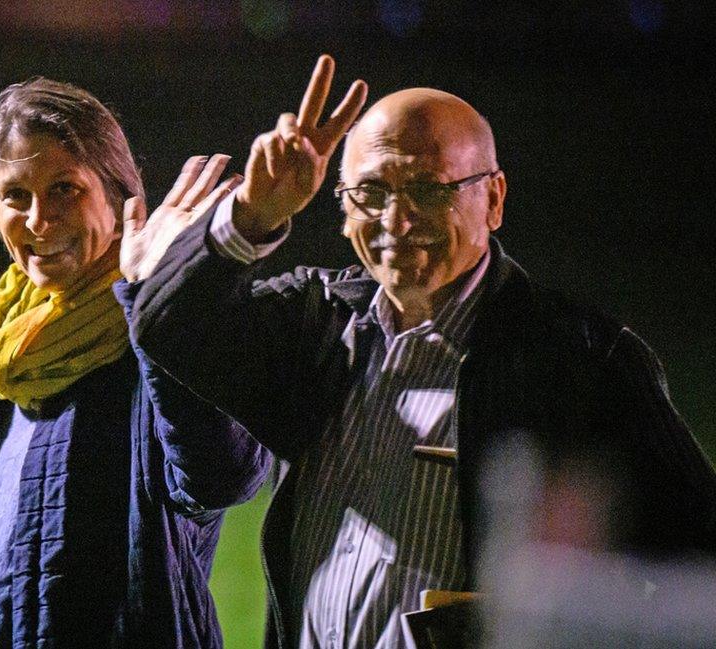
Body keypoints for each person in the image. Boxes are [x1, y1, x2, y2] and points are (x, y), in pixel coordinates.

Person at [124, 55, 716, 648]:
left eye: (429, 190)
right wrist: (251, 217)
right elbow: (170, 326)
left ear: (494, 198)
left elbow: (694, 569)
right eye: (371, 192)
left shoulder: (583, 359)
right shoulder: (321, 321)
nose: (396, 220)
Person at [0, 77, 270, 648]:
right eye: (15, 195)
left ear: (118, 197)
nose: (39, 219)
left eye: (65, 189)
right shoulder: (8, 348)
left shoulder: (159, 327)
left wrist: (158, 303)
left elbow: (224, 474)